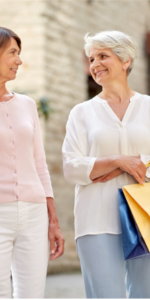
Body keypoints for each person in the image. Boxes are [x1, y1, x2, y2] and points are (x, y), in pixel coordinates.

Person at [62, 30, 150, 298]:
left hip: (146, 217)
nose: (95, 64)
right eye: (91, 59)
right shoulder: (81, 113)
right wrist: (116, 160)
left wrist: (133, 164)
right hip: (96, 219)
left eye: (103, 56)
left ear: (126, 61)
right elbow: (71, 167)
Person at [0, 27, 64, 299]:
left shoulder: (27, 104)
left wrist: (53, 220)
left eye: (19, 53)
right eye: (13, 53)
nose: (19, 60)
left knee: (32, 295)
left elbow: (40, 164)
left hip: (34, 213)